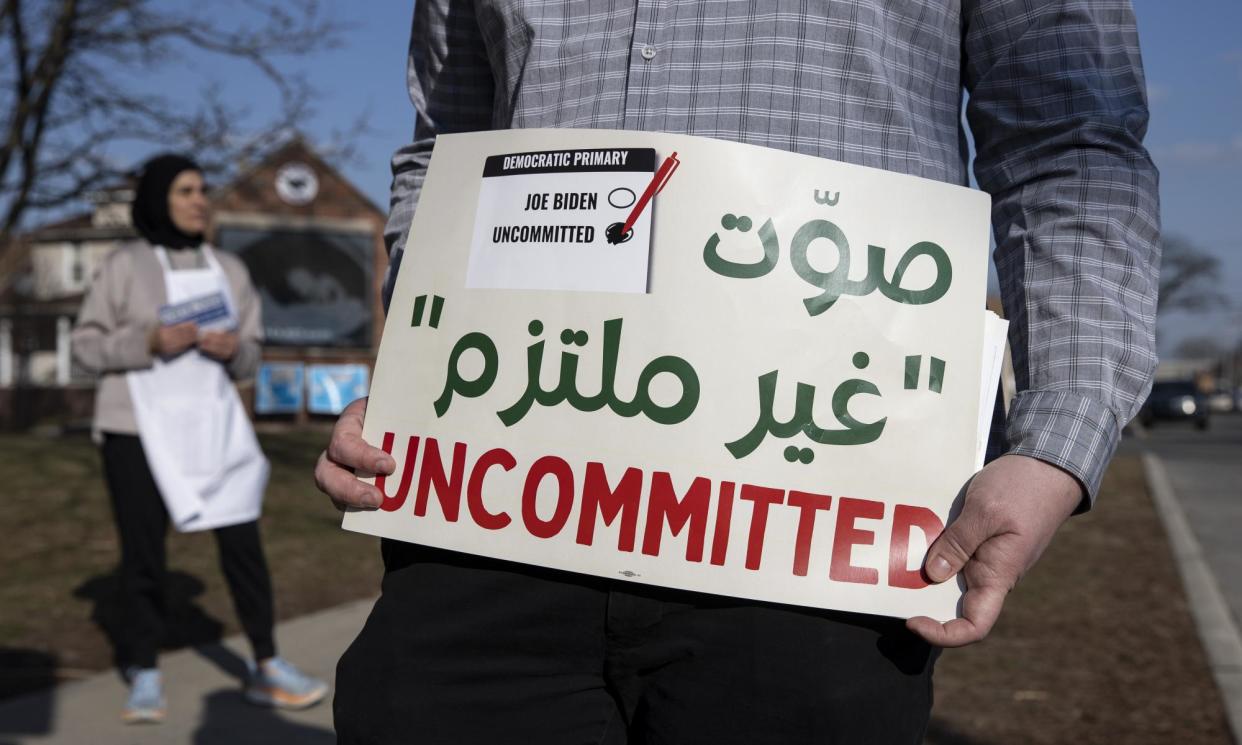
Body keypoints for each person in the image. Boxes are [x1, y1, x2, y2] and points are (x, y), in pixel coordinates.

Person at [316, 2, 1160, 742]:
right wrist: (417, 373)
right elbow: (448, 146)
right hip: (500, 498)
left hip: (817, 524)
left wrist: (1059, 436)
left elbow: (1068, 143)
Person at [72, 154, 329, 724]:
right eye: (186, 190)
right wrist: (148, 340)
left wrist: (232, 349)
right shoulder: (124, 265)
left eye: (202, 190)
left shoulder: (230, 269)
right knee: (143, 554)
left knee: (243, 545)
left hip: (212, 427)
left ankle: (267, 664)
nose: (199, 201)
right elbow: (85, 346)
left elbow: (252, 356)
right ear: (158, 197)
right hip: (135, 430)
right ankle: (143, 670)